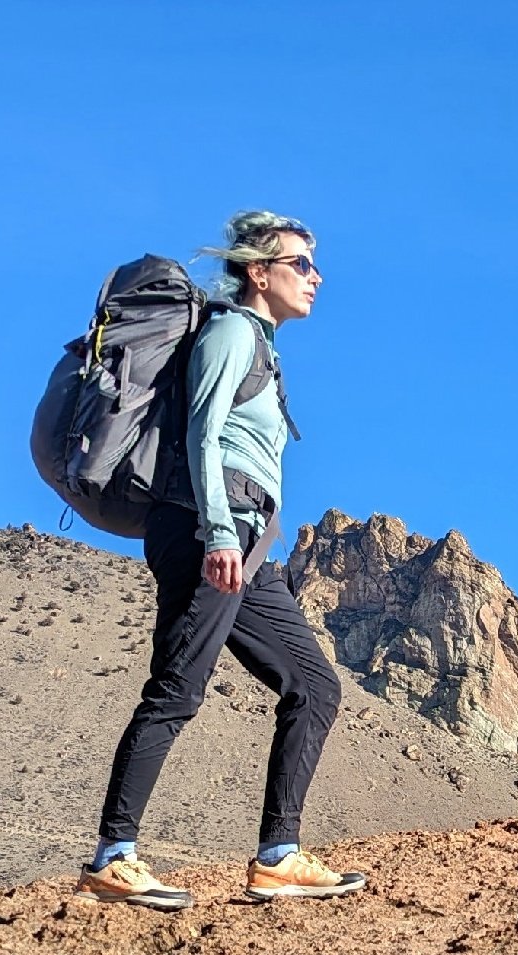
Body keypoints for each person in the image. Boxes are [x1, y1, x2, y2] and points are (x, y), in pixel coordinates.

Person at [74, 211, 364, 909]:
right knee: (178, 687)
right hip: (210, 534)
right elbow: (204, 436)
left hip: (245, 545)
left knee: (315, 686)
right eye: (301, 264)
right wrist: (220, 534)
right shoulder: (233, 331)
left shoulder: (261, 343)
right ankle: (115, 854)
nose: (315, 277)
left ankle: (278, 857)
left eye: (315, 265)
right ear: (259, 272)